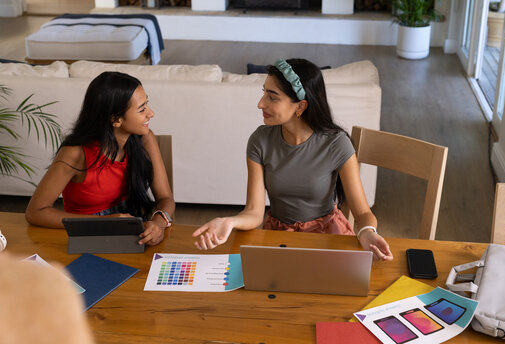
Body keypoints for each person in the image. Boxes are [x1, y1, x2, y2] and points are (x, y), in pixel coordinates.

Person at [193, 58, 393, 261]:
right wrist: (229, 222)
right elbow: (254, 212)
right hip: (277, 235)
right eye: (264, 92)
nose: (260, 103)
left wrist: (367, 231)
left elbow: (362, 212)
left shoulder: (336, 144)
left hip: (328, 235)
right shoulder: (259, 141)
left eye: (272, 97)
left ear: (300, 106)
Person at [25, 71, 175, 246]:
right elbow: (35, 212)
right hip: (86, 233)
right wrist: (104, 223)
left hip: (133, 229)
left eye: (146, 104)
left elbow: (166, 198)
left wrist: (159, 221)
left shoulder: (145, 139)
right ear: (116, 119)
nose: (151, 113)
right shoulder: (75, 154)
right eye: (142, 109)